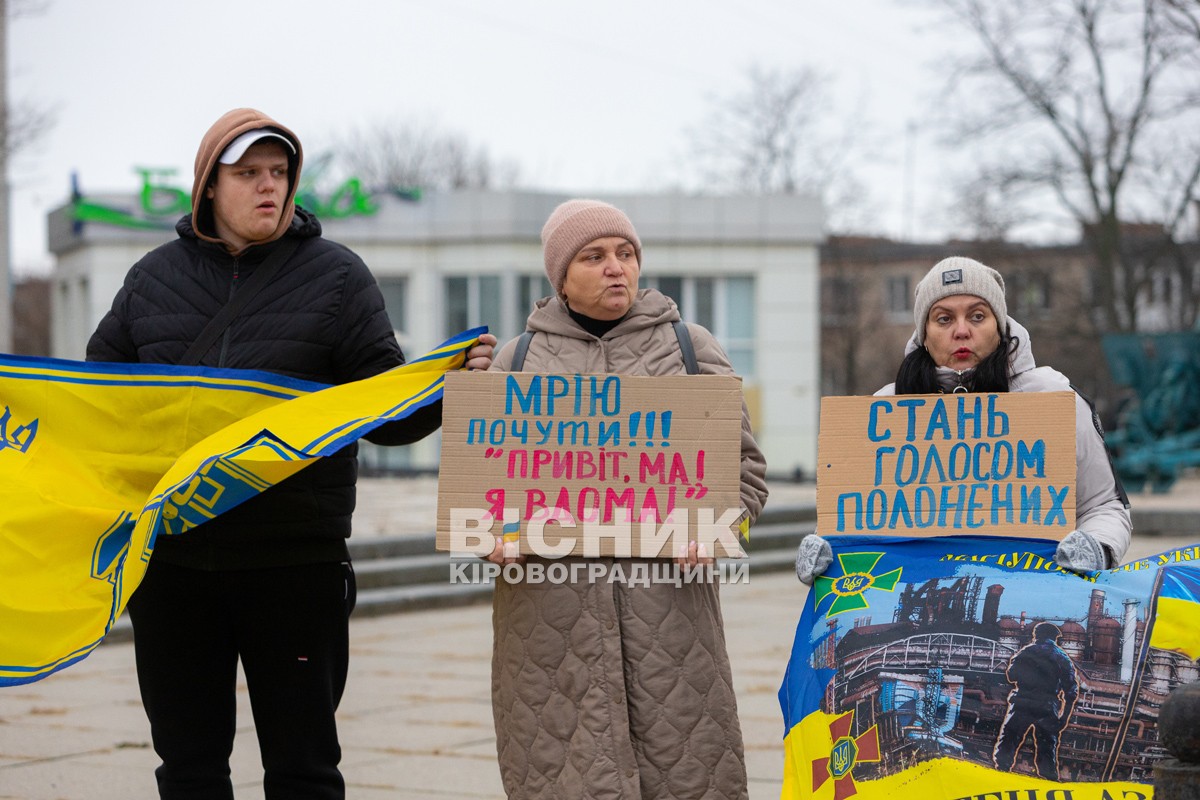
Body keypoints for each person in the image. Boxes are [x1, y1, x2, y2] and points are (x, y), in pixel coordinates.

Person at [86, 108, 495, 799]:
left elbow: (384, 416)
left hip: (295, 564)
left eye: (279, 173)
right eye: (248, 174)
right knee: (187, 768)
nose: (268, 187)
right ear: (209, 186)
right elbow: (100, 405)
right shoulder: (150, 279)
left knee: (304, 768)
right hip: (175, 565)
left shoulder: (337, 277)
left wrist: (448, 386)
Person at [485, 199, 769, 800]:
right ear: (561, 277)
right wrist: (490, 538)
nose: (616, 267)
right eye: (594, 256)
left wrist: (721, 531)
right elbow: (486, 492)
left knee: (688, 776)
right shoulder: (517, 363)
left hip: (670, 624)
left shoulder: (689, 350)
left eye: (626, 253)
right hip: (550, 634)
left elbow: (746, 474)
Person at [796, 256, 1132, 582]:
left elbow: (1104, 505)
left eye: (977, 316)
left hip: (1031, 598)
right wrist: (828, 548)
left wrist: (1096, 548)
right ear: (923, 334)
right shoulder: (884, 410)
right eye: (943, 319)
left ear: (999, 327)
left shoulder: (1051, 398)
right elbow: (854, 517)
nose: (961, 331)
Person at [993, 622, 1079, 779]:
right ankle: (1049, 781)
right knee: (1047, 748)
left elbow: (1011, 676)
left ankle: (1000, 773)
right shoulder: (1062, 657)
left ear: (1036, 635)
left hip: (1022, 702)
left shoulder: (1025, 652)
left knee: (1009, 739)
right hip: (1047, 706)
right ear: (1054, 638)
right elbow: (1071, 692)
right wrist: (1064, 718)